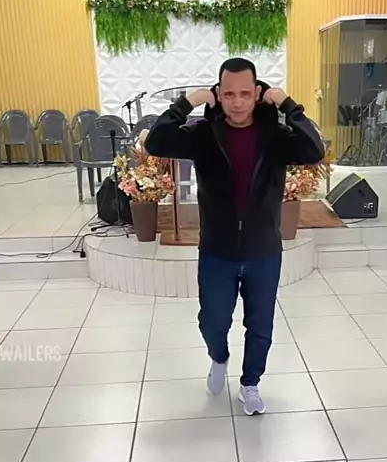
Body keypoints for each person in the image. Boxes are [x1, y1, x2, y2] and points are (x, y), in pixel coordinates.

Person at [139, 58, 324, 415]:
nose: (237, 102)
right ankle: (219, 357)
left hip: (263, 250)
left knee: (260, 326)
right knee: (212, 321)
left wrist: (288, 104)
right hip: (217, 251)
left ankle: (250, 384)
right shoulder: (203, 135)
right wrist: (190, 101)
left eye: (244, 94)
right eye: (228, 94)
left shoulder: (276, 136)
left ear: (257, 93)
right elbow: (157, 142)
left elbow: (314, 149)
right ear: (218, 95)